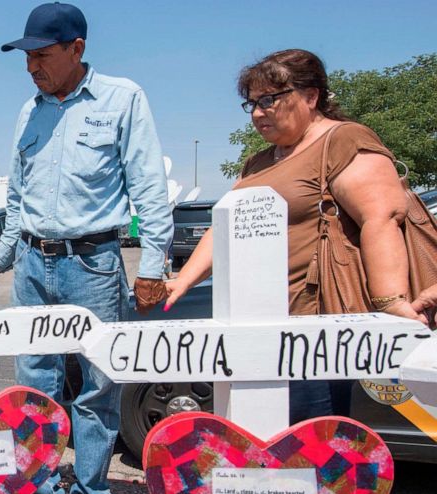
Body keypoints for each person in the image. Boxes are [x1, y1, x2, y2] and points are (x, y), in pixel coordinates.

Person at [166, 49, 428, 421]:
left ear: (311, 96)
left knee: (311, 453)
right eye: (252, 103)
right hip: (259, 328)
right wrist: (182, 282)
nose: (258, 113)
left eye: (269, 100)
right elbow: (224, 228)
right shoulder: (259, 161)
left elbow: (382, 216)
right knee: (262, 445)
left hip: (316, 334)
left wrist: (391, 300)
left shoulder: (343, 140)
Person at [0, 2, 173, 494]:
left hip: (93, 263)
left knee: (97, 383)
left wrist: (154, 264)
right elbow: (17, 196)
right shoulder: (31, 112)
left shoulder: (123, 99)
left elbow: (149, 189)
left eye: (42, 56)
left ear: (78, 48)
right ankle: (43, 488)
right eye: (27, 57)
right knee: (35, 381)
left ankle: (95, 493)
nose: (32, 68)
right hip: (31, 261)